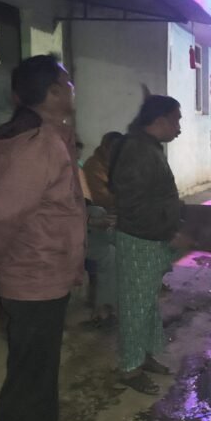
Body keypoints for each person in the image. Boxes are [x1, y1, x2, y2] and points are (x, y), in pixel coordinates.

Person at [0, 54, 86, 421]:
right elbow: (1, 214)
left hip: (44, 276)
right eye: (68, 83)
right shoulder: (38, 146)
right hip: (34, 279)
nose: (73, 89)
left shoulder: (50, 138)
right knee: (31, 381)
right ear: (53, 92)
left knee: (36, 376)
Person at [109, 95, 193, 395]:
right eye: (176, 120)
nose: (179, 128)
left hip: (150, 238)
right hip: (139, 240)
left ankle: (142, 356)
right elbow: (134, 206)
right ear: (159, 121)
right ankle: (130, 369)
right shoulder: (137, 151)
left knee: (146, 305)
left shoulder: (147, 147)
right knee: (135, 306)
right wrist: (169, 233)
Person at [82, 132, 124, 328]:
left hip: (99, 219)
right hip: (76, 230)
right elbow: (99, 199)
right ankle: (105, 307)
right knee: (112, 251)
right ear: (105, 148)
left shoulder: (117, 165)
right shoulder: (92, 167)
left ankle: (110, 302)